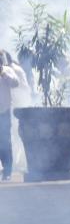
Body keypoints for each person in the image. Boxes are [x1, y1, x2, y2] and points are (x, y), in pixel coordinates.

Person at [0, 51, 22, 181]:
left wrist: (4, 74)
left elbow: (16, 83)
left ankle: (7, 170)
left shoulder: (8, 71)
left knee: (5, 141)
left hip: (4, 111)